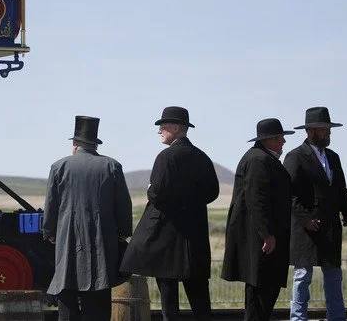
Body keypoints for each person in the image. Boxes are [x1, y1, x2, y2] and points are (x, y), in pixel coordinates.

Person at [121, 106, 219, 320]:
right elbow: (213, 193)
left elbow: (156, 193)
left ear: (176, 128)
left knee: (169, 302)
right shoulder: (202, 157)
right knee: (200, 299)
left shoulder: (166, 157)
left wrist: (149, 190)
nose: (159, 131)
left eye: (163, 127)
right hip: (194, 237)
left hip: (167, 238)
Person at [43, 115, 133, 321]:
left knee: (66, 293)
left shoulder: (59, 167)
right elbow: (123, 206)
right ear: (94, 144)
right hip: (101, 242)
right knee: (99, 295)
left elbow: (51, 206)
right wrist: (123, 234)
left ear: (75, 144)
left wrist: (50, 233)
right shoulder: (112, 166)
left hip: (68, 242)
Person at [283, 107, 347, 321]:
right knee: (302, 277)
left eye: (329, 129)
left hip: (330, 227)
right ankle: (298, 319)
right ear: (311, 131)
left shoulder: (333, 157)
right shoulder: (295, 157)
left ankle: (337, 318)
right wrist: (305, 219)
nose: (329, 133)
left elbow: (340, 188)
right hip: (306, 229)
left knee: (334, 277)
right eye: (325, 129)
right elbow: (288, 194)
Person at [222, 118, 294, 321]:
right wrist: (267, 233)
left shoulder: (262, 158)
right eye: (280, 138)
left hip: (263, 240)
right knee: (260, 295)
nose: (283, 142)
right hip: (260, 243)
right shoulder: (258, 160)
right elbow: (257, 200)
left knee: (263, 295)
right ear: (270, 139)